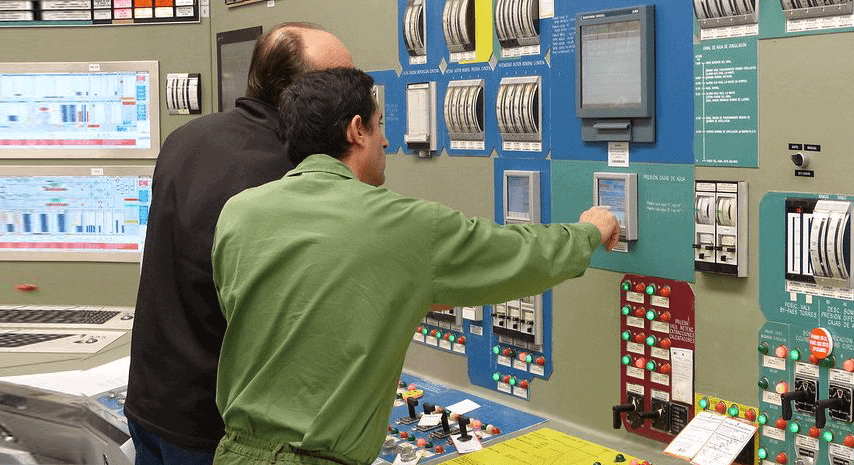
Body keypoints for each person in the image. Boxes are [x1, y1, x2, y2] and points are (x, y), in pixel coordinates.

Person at [210, 68, 620, 465]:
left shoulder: (238, 213)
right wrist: (590, 232)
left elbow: (273, 317)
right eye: (379, 125)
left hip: (232, 452)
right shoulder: (399, 224)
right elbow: (518, 254)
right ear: (356, 130)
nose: (387, 141)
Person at [124, 24, 353, 465]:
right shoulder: (293, 174)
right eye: (344, 82)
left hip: (151, 409)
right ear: (308, 95)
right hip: (216, 435)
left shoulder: (185, 140)